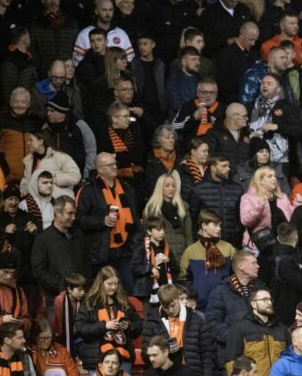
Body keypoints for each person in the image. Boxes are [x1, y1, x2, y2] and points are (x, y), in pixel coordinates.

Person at [75, 152, 139, 291]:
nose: (115, 167)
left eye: (115, 164)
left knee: (128, 288)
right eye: (110, 165)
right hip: (101, 252)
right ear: (100, 169)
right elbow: (79, 220)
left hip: (125, 248)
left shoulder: (126, 187)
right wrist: (101, 221)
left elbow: (134, 217)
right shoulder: (88, 190)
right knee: (104, 291)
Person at [75, 265, 142, 373]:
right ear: (101, 283)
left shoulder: (123, 302)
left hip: (122, 358)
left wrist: (129, 326)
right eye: (109, 284)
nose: (113, 287)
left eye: (116, 284)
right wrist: (104, 326)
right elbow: (80, 328)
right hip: (98, 358)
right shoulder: (90, 303)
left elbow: (139, 325)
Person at [206, 250, 265, 368]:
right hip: (232, 356)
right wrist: (237, 339)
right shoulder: (220, 292)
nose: (258, 266)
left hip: (259, 354)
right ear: (241, 266)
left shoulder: (261, 289)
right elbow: (212, 323)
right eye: (253, 263)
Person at [140, 285, 208, 374]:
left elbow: (207, 352)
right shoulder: (152, 321)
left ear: (177, 298)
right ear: (160, 302)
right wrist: (164, 350)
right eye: (166, 307)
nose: (171, 310)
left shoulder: (196, 319)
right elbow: (145, 354)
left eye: (173, 305)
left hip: (193, 372)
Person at [224, 288, 290, 374]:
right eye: (264, 299)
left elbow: (290, 358)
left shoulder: (282, 328)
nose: (269, 303)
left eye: (270, 300)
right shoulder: (239, 327)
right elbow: (231, 361)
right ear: (253, 304)